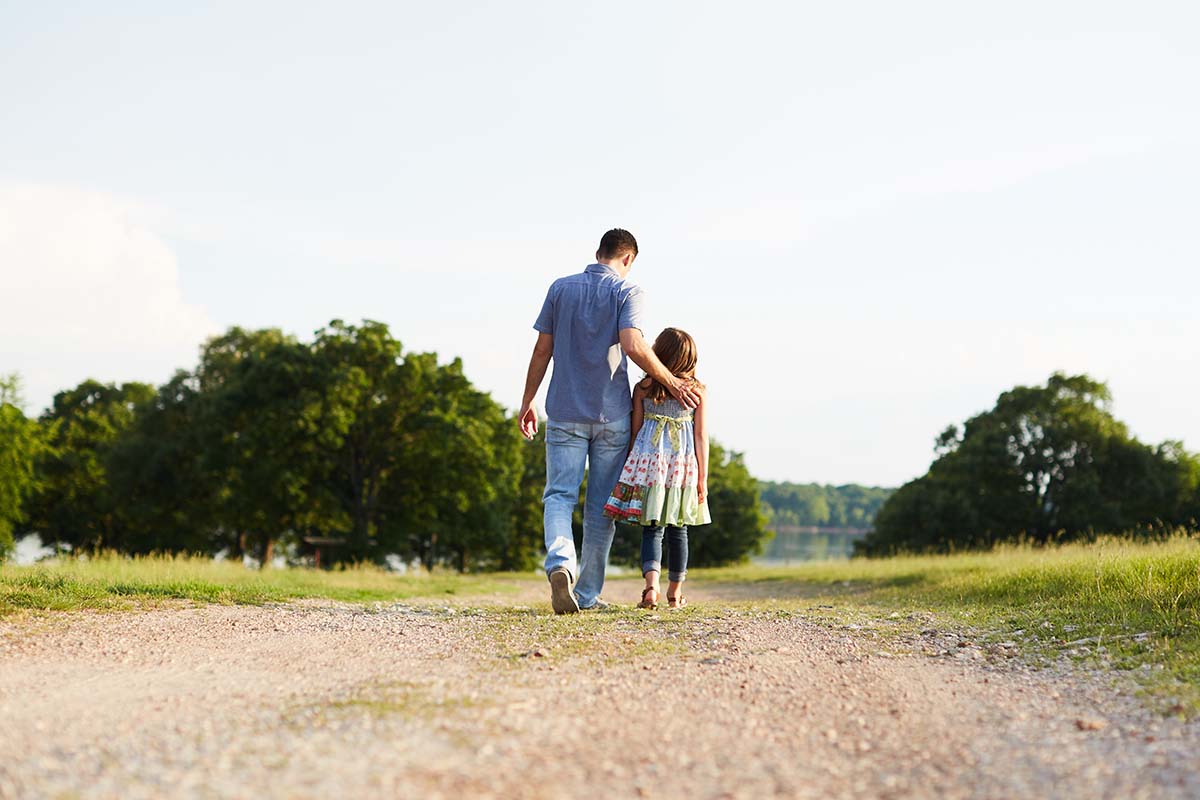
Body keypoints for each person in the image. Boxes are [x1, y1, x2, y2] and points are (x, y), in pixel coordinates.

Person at [519, 229, 700, 614]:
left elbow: (542, 349)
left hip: (564, 412)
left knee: (558, 496)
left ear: (598, 252)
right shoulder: (628, 292)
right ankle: (585, 595)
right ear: (629, 259)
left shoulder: (560, 288)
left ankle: (560, 564)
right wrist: (671, 382)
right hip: (612, 417)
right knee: (602, 508)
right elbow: (633, 344)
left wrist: (527, 401)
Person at [603, 327, 710, 609]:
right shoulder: (697, 391)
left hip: (649, 466)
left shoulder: (643, 388)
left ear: (657, 353)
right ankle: (675, 594)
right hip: (682, 469)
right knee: (679, 529)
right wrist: (703, 478)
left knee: (652, 529)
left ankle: (651, 589)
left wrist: (630, 466)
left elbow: (635, 430)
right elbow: (701, 436)